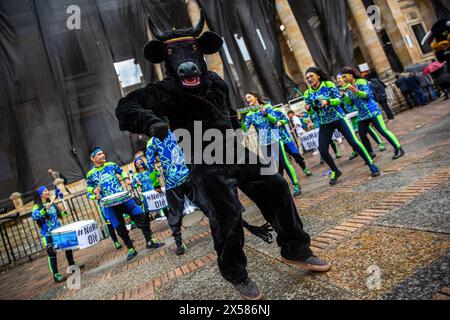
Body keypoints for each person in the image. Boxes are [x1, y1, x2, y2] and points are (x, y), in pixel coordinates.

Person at [116, 15, 331, 300]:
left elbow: (230, 113)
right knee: (227, 214)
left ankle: (296, 249)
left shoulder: (216, 82)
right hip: (202, 159)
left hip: (232, 149)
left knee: (277, 185)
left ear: (200, 50)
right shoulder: (164, 91)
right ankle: (237, 274)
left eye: (191, 50)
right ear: (165, 60)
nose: (185, 62)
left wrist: (238, 134)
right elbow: (125, 106)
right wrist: (148, 122)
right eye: (174, 55)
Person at [303, 67, 380, 185]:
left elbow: (339, 100)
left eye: (311, 76)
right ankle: (335, 170)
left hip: (339, 118)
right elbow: (312, 112)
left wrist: (328, 102)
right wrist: (309, 110)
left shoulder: (328, 84)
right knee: (322, 150)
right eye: (307, 77)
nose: (309, 79)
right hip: (324, 122)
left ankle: (371, 164)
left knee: (354, 142)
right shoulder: (307, 93)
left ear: (318, 75)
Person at [86, 147, 165, 261]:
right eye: (99, 154)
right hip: (109, 205)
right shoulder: (90, 174)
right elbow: (88, 188)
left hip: (124, 198)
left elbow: (121, 171)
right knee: (119, 227)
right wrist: (94, 192)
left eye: (103, 153)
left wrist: (126, 178)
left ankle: (150, 240)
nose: (102, 155)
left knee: (141, 215)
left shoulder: (111, 165)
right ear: (93, 158)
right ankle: (130, 248)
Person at [241, 93, 302, 196]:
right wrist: (239, 120)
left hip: (274, 135)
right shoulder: (249, 114)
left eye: (249, 97)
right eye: (246, 98)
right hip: (263, 139)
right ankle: (279, 188)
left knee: (284, 162)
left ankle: (295, 184)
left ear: (256, 97)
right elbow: (245, 129)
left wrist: (266, 114)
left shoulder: (267, 107)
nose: (247, 99)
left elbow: (275, 120)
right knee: (270, 167)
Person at [341, 66, 405, 160]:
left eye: (344, 76)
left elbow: (367, 95)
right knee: (362, 134)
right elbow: (351, 102)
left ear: (351, 74)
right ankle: (370, 154)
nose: (343, 79)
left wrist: (357, 91)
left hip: (372, 111)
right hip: (362, 115)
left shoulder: (361, 82)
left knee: (383, 130)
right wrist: (344, 97)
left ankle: (398, 148)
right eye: (342, 77)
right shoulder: (347, 87)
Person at [32, 186, 79, 282]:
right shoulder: (36, 207)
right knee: (52, 253)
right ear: (41, 194)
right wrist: (44, 209)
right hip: (47, 233)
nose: (48, 191)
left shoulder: (51, 204)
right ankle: (56, 274)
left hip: (58, 230)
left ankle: (72, 265)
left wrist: (65, 212)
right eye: (45, 191)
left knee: (67, 246)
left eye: (47, 190)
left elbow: (58, 216)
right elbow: (35, 216)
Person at [336, 73, 386, 160]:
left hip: (360, 110)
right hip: (351, 111)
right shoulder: (340, 90)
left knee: (369, 129)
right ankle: (359, 150)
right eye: (338, 79)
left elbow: (363, 95)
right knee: (358, 132)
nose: (339, 81)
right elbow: (347, 101)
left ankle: (380, 143)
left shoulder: (351, 85)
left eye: (340, 78)